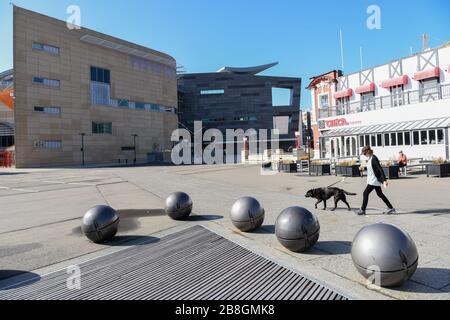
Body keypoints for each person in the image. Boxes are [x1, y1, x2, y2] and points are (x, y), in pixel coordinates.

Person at [356, 146, 396, 216]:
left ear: (367, 152)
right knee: (380, 194)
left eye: (364, 153)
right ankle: (391, 208)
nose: (364, 155)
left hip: (374, 180)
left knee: (365, 193)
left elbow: (380, 169)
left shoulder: (374, 158)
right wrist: (363, 168)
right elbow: (371, 169)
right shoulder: (370, 158)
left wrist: (384, 180)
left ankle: (363, 209)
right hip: (372, 179)